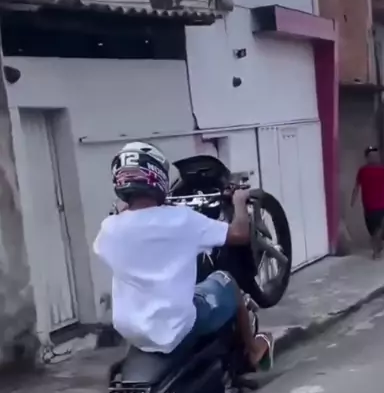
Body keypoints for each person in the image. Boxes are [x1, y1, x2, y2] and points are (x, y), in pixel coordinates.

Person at [93, 142, 273, 372]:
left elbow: (127, 244)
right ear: (158, 176)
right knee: (227, 282)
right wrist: (239, 202)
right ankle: (253, 351)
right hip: (175, 326)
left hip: (131, 328)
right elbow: (240, 234)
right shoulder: (182, 220)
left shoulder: (110, 229)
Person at [351, 146, 384, 258]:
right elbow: (357, 186)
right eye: (371, 156)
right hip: (368, 205)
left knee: (379, 228)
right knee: (372, 230)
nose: (374, 158)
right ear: (367, 158)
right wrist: (353, 199)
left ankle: (376, 251)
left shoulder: (383, 170)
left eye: (376, 156)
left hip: (381, 204)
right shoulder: (362, 171)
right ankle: (378, 244)